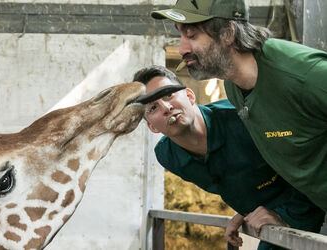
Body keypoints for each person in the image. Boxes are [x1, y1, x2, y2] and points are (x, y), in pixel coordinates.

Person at [150, 0, 327, 213]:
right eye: (181, 36)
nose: (182, 49)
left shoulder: (303, 75)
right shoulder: (234, 87)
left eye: (192, 35)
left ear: (227, 33)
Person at [133, 65, 325, 249]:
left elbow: (311, 162)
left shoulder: (244, 118)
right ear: (152, 127)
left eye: (168, 94)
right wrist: (246, 209)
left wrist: (285, 218)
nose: (166, 107)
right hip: (266, 217)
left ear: (190, 96)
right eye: (153, 108)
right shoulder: (168, 157)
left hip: (306, 203)